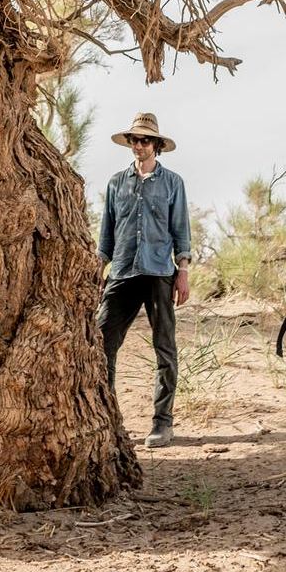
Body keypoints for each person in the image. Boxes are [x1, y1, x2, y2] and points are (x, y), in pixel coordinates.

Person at [97, 112, 192, 448]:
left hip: (158, 273)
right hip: (122, 271)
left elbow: (181, 230)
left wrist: (183, 270)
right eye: (134, 140)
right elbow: (106, 232)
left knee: (164, 347)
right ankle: (106, 420)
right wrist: (99, 266)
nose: (139, 145)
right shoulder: (115, 183)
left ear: (157, 146)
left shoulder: (173, 183)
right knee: (101, 342)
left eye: (145, 140)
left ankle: (162, 423)